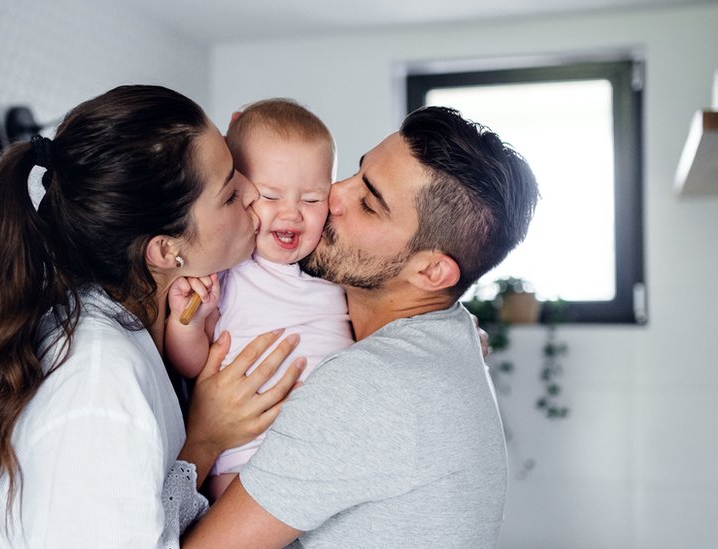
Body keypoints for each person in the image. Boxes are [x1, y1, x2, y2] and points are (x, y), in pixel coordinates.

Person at [0, 85, 306, 548]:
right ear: (165, 249)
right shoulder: (98, 385)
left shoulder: (147, 324)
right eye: (231, 192)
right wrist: (203, 441)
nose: (255, 193)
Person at [183, 106, 539, 548]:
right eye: (355, 171)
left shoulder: (371, 385)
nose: (332, 196)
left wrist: (202, 439)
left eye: (368, 204)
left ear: (431, 274)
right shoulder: (451, 334)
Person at [165, 99, 354, 501]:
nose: (292, 214)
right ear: (239, 192)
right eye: (270, 196)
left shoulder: (337, 271)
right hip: (244, 459)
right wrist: (188, 322)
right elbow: (192, 363)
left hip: (328, 460)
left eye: (311, 199)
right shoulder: (230, 269)